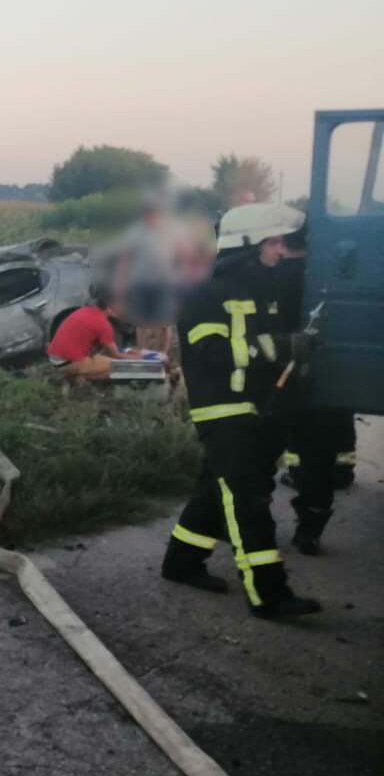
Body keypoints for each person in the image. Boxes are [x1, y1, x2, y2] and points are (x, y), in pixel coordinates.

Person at [160, 203, 320, 619]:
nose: (280, 251)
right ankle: (269, 595)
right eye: (273, 242)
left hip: (252, 407)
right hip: (220, 409)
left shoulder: (259, 291)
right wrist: (281, 347)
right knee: (246, 497)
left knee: (217, 489)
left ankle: (180, 562)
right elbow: (210, 354)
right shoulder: (205, 293)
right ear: (248, 246)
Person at [265, 231, 349, 555]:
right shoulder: (335, 280)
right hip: (324, 383)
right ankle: (309, 533)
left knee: (259, 457)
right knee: (320, 461)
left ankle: (253, 528)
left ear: (281, 242)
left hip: (277, 384)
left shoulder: (269, 277)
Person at [46, 296, 135, 382]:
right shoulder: (103, 324)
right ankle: (81, 377)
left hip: (55, 358)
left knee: (102, 360)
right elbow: (116, 355)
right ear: (109, 308)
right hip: (68, 362)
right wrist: (139, 358)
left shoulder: (85, 310)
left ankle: (77, 374)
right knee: (119, 367)